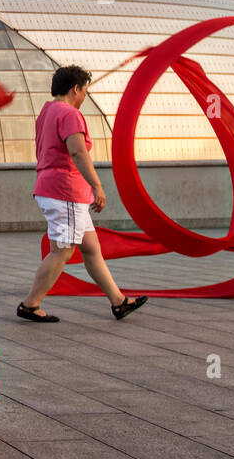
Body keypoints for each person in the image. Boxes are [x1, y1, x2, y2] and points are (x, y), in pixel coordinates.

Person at [17, 65, 148, 323]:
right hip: (64, 191)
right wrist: (97, 185)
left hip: (52, 187)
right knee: (63, 251)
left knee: (90, 248)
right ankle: (30, 304)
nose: (85, 96)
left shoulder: (46, 112)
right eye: (85, 90)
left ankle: (118, 302)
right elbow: (78, 151)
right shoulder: (69, 114)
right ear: (76, 89)